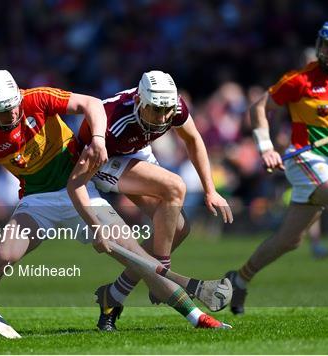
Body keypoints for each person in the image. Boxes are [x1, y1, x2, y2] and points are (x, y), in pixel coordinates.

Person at [0, 70, 230, 339]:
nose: (12, 114)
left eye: (13, 105)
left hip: (82, 188)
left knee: (140, 259)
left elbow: (91, 103)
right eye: (2, 111)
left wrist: (96, 139)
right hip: (37, 201)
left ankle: (197, 318)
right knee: (3, 254)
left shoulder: (36, 98)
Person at [225, 21, 328, 314]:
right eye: (327, 44)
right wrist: (266, 147)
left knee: (289, 240)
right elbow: (259, 107)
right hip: (303, 158)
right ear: (319, 45)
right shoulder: (299, 79)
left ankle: (239, 279)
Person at [77, 70, 234, 330]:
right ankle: (162, 273)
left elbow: (193, 139)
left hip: (135, 152)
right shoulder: (114, 122)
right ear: (139, 102)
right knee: (175, 186)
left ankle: (113, 296)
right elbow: (82, 167)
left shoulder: (173, 108)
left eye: (166, 111)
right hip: (99, 160)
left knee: (179, 228)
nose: (162, 119)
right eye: (155, 111)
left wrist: (210, 189)